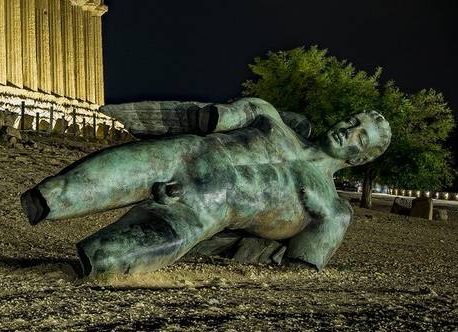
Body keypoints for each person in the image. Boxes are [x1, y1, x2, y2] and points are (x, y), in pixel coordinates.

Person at [21, 97, 391, 277]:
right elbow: (227, 114)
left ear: (361, 158)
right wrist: (214, 115)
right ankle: (44, 204)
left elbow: (301, 267)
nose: (348, 128)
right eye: (352, 120)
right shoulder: (273, 117)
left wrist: (244, 252)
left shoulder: (331, 208)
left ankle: (74, 269)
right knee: (56, 193)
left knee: (104, 259)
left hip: (204, 208)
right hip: (181, 155)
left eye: (361, 135)